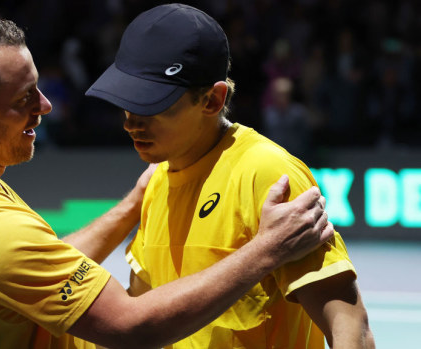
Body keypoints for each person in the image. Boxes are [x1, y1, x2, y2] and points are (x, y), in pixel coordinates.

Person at [0, 9, 334, 349]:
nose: (46, 105)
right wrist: (267, 250)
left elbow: (34, 264)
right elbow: (132, 328)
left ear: (213, 99)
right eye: (23, 99)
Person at [85, 4, 374, 349]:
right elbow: (142, 320)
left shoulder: (267, 174)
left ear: (212, 99)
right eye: (127, 101)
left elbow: (349, 323)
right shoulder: (157, 182)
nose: (131, 122)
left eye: (152, 104)